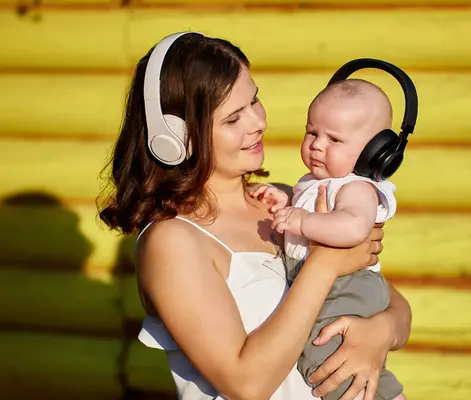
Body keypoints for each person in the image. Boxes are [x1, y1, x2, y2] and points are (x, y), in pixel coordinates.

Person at [97, 31, 412, 400]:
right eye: (233, 119)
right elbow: (247, 384)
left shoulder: (291, 201)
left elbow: (395, 305)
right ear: (177, 137)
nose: (257, 122)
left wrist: (380, 334)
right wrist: (324, 264)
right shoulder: (172, 241)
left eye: (255, 100)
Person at [250, 79, 405, 400]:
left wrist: (304, 220)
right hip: (329, 282)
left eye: (334, 138)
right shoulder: (313, 182)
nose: (318, 145)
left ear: (375, 153)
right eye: (312, 133)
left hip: (347, 286)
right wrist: (284, 204)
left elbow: (352, 228)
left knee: (327, 354)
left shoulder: (356, 188)